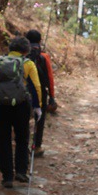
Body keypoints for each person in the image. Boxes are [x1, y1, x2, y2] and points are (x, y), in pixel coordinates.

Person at [0, 37, 43, 188]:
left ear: (10, 49)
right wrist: (37, 107)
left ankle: (7, 176)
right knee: (22, 137)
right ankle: (21, 171)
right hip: (20, 105)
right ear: (26, 50)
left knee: (3, 138)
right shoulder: (28, 64)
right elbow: (36, 87)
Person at [25, 29, 56, 158]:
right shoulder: (44, 56)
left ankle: (23, 145)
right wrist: (52, 97)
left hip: (23, 91)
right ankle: (37, 146)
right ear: (40, 41)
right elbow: (49, 78)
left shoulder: (22, 55)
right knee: (40, 119)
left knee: (24, 119)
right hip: (40, 92)